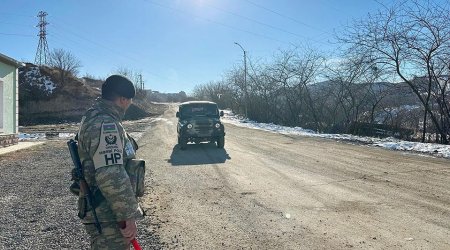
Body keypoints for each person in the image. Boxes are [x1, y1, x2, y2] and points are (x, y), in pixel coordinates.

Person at [76, 75, 143, 249]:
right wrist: (127, 215)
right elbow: (110, 174)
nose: (129, 105)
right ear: (122, 99)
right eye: (129, 100)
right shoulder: (105, 123)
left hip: (107, 210)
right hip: (108, 214)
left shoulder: (98, 116)